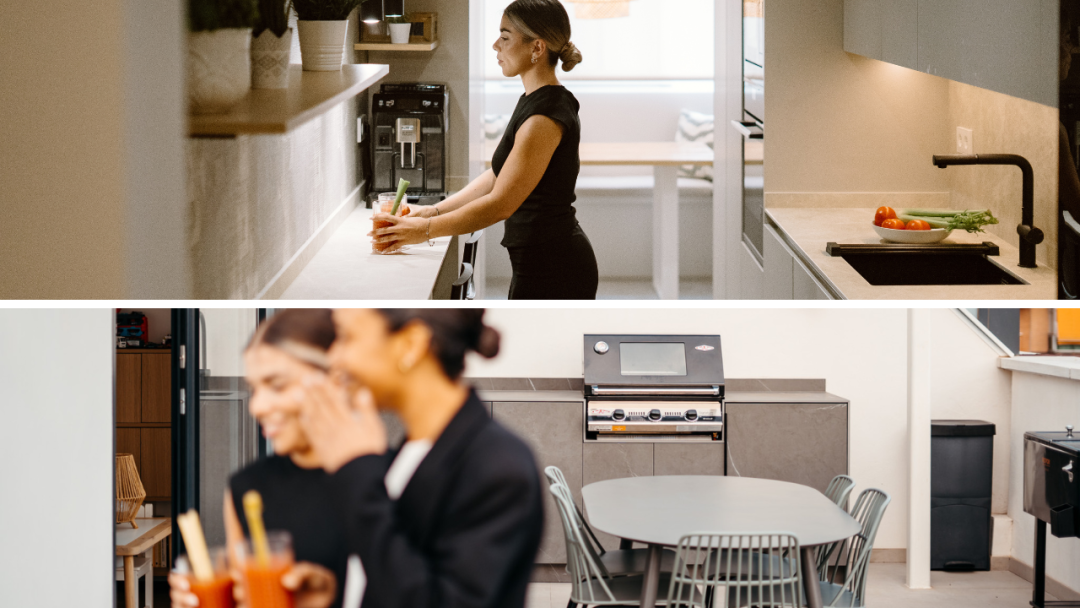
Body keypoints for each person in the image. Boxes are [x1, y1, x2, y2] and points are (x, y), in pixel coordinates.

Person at [297, 309, 544, 608]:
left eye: (346, 337)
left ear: (412, 344)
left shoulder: (498, 467)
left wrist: (356, 471)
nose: (334, 358)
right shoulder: (414, 450)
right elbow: (399, 566)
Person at [369, 0, 599, 300]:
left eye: (505, 37)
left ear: (537, 48)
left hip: (555, 267)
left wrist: (423, 229)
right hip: (538, 259)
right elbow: (498, 175)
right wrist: (432, 210)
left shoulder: (545, 116)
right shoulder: (535, 99)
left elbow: (501, 204)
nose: (495, 45)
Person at [169, 309, 355, 608]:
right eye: (254, 389)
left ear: (336, 379)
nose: (257, 406)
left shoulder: (389, 478)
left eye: (277, 385)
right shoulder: (247, 486)